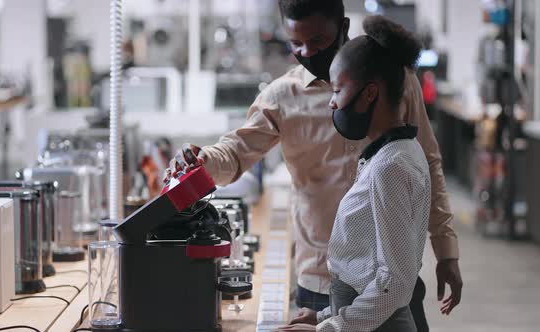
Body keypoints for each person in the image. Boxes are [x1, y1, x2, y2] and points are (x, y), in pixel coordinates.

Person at [166, 1, 462, 330]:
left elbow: (429, 162)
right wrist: (200, 160)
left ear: (344, 28)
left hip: (391, 282)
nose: (307, 53)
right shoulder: (282, 97)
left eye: (318, 41)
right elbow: (235, 152)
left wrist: (445, 248)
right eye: (296, 44)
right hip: (321, 285)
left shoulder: (395, 82)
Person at [280, 15, 431, 332]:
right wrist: (325, 316)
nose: (332, 103)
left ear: (369, 93)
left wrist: (329, 329)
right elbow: (370, 271)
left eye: (337, 90)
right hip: (366, 318)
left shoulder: (391, 166)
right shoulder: (395, 152)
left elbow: (395, 283)